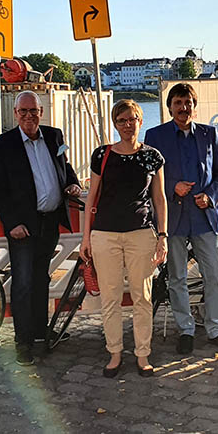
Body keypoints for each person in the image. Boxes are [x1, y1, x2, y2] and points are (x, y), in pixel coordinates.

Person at [0, 90, 81, 366]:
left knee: (42, 278)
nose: (29, 116)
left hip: (49, 221)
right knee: (24, 283)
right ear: (15, 114)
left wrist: (72, 183)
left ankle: (41, 331)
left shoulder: (54, 137)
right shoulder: (4, 144)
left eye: (34, 111)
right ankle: (23, 341)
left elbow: (65, 167)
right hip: (23, 226)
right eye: (23, 111)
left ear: (41, 112)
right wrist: (12, 223)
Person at [144, 83, 218, 355]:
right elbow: (148, 177)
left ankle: (215, 328)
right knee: (177, 277)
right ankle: (186, 329)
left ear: (195, 107)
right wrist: (172, 186)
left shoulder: (208, 134)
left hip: (203, 216)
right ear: (169, 106)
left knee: (214, 276)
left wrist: (210, 195)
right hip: (171, 217)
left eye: (188, 103)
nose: (183, 108)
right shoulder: (155, 135)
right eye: (178, 103)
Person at [80, 99, 167, 378]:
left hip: (141, 232)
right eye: (122, 121)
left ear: (141, 121)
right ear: (115, 124)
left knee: (143, 296)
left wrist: (163, 235)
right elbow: (92, 197)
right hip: (105, 233)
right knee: (111, 297)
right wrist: (86, 239)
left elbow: (159, 199)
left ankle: (143, 354)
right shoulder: (102, 154)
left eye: (132, 119)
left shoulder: (153, 156)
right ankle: (114, 353)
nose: (128, 125)